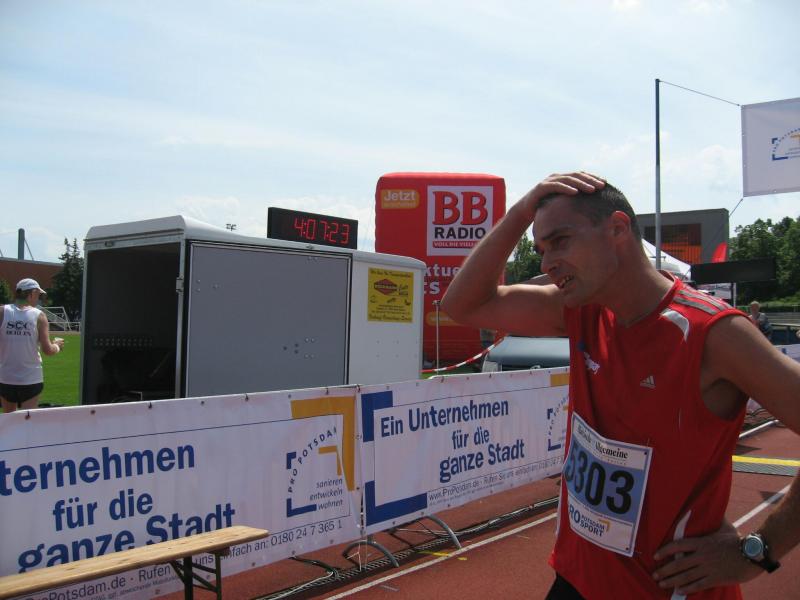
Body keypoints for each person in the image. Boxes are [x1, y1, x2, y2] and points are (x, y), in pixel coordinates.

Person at [442, 172, 800, 599]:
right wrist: (522, 210)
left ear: (617, 229)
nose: (546, 263)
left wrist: (757, 551)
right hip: (575, 578)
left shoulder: (713, 333)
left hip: (664, 589)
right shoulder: (581, 309)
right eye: (541, 249)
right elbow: (463, 305)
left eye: (560, 241)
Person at [0, 278, 64, 413]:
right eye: (38, 295)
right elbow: (48, 350)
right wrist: (57, 346)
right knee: (28, 421)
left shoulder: (2, 311)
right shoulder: (39, 316)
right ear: (32, 293)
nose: (38, 299)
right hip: (30, 379)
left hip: (5, 378)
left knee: (9, 420)